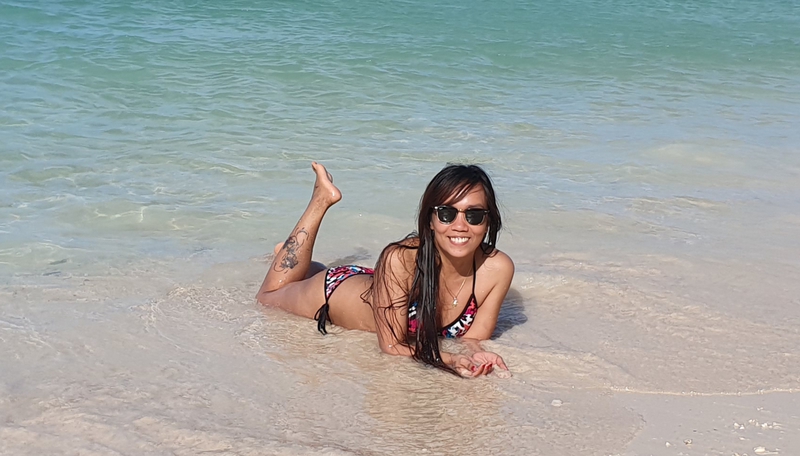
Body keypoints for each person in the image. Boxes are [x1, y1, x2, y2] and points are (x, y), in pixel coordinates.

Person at [256, 162, 514, 377]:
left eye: (474, 215)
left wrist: (475, 355)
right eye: (447, 213)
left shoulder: (497, 269)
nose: (460, 226)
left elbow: (471, 339)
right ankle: (320, 199)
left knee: (297, 269)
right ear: (430, 220)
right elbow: (392, 346)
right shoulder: (400, 258)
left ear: (488, 220)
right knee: (268, 295)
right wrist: (449, 358)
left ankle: (285, 254)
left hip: (378, 285)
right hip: (332, 292)